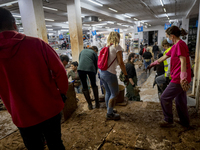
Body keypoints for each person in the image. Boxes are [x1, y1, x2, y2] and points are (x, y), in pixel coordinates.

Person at [0, 8, 68, 150]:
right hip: (49, 108)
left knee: (34, 147)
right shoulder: (37, 44)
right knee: (55, 144)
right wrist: (62, 94)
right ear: (14, 24)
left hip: (22, 114)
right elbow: (60, 72)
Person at [148, 26, 191, 127]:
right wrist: (153, 63)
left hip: (179, 78)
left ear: (172, 36)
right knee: (180, 100)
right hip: (180, 77)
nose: (167, 38)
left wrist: (183, 78)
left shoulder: (180, 45)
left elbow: (183, 61)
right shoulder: (175, 46)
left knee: (164, 98)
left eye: (167, 36)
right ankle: (185, 122)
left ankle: (168, 120)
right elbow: (165, 56)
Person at [100, 31, 129, 120]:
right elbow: (120, 62)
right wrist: (125, 74)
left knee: (108, 92)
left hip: (102, 73)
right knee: (115, 93)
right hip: (110, 74)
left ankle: (109, 109)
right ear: (118, 38)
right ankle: (109, 114)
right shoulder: (117, 47)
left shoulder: (106, 46)